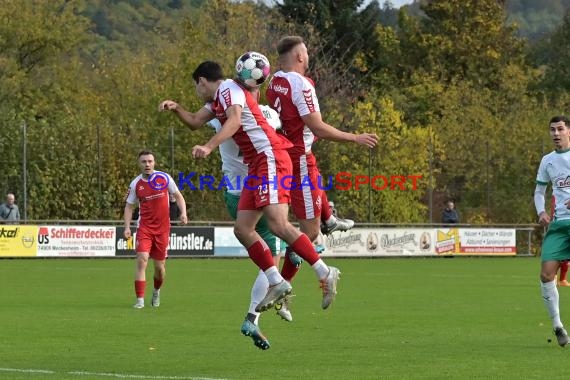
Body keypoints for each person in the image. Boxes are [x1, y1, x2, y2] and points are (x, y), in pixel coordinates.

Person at [159, 59, 340, 319]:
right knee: (243, 229)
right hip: (258, 165)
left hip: (269, 157)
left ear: (201, 81)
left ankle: (325, 272)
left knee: (278, 225)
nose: (197, 93)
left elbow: (233, 122)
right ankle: (276, 282)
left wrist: (209, 146)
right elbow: (195, 121)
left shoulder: (228, 90)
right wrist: (176, 108)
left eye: (196, 87)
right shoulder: (218, 100)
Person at [160, 89, 289, 350]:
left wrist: (177, 109)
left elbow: (195, 121)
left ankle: (272, 300)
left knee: (271, 253)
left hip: (233, 196)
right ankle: (255, 315)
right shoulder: (267, 114)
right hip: (259, 190)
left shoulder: (221, 111)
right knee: (277, 254)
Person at [265, 35, 378, 299]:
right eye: (306, 52)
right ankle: (286, 289)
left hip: (282, 156)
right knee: (309, 232)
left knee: (305, 209)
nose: (309, 57)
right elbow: (317, 127)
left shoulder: (274, 81)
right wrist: (354, 137)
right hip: (299, 161)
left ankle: (329, 218)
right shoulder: (301, 84)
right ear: (300, 56)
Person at [123, 150, 188, 309]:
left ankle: (156, 291)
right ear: (139, 164)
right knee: (142, 259)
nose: (147, 164)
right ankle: (140, 300)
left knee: (159, 268)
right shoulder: (135, 184)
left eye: (150, 161)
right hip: (144, 227)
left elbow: (178, 196)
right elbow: (129, 206)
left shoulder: (164, 178)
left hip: (163, 230)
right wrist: (127, 227)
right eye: (144, 161)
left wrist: (183, 213)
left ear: (154, 163)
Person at [535, 115, 570, 347]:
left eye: (560, 129)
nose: (556, 133)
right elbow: (539, 191)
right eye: (552, 130)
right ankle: (558, 325)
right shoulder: (547, 160)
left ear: (569, 131)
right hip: (558, 225)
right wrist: (541, 212)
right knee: (547, 275)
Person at [550, 195, 570, 286]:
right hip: (560, 225)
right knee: (560, 255)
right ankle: (555, 277)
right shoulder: (557, 193)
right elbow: (553, 206)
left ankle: (561, 279)